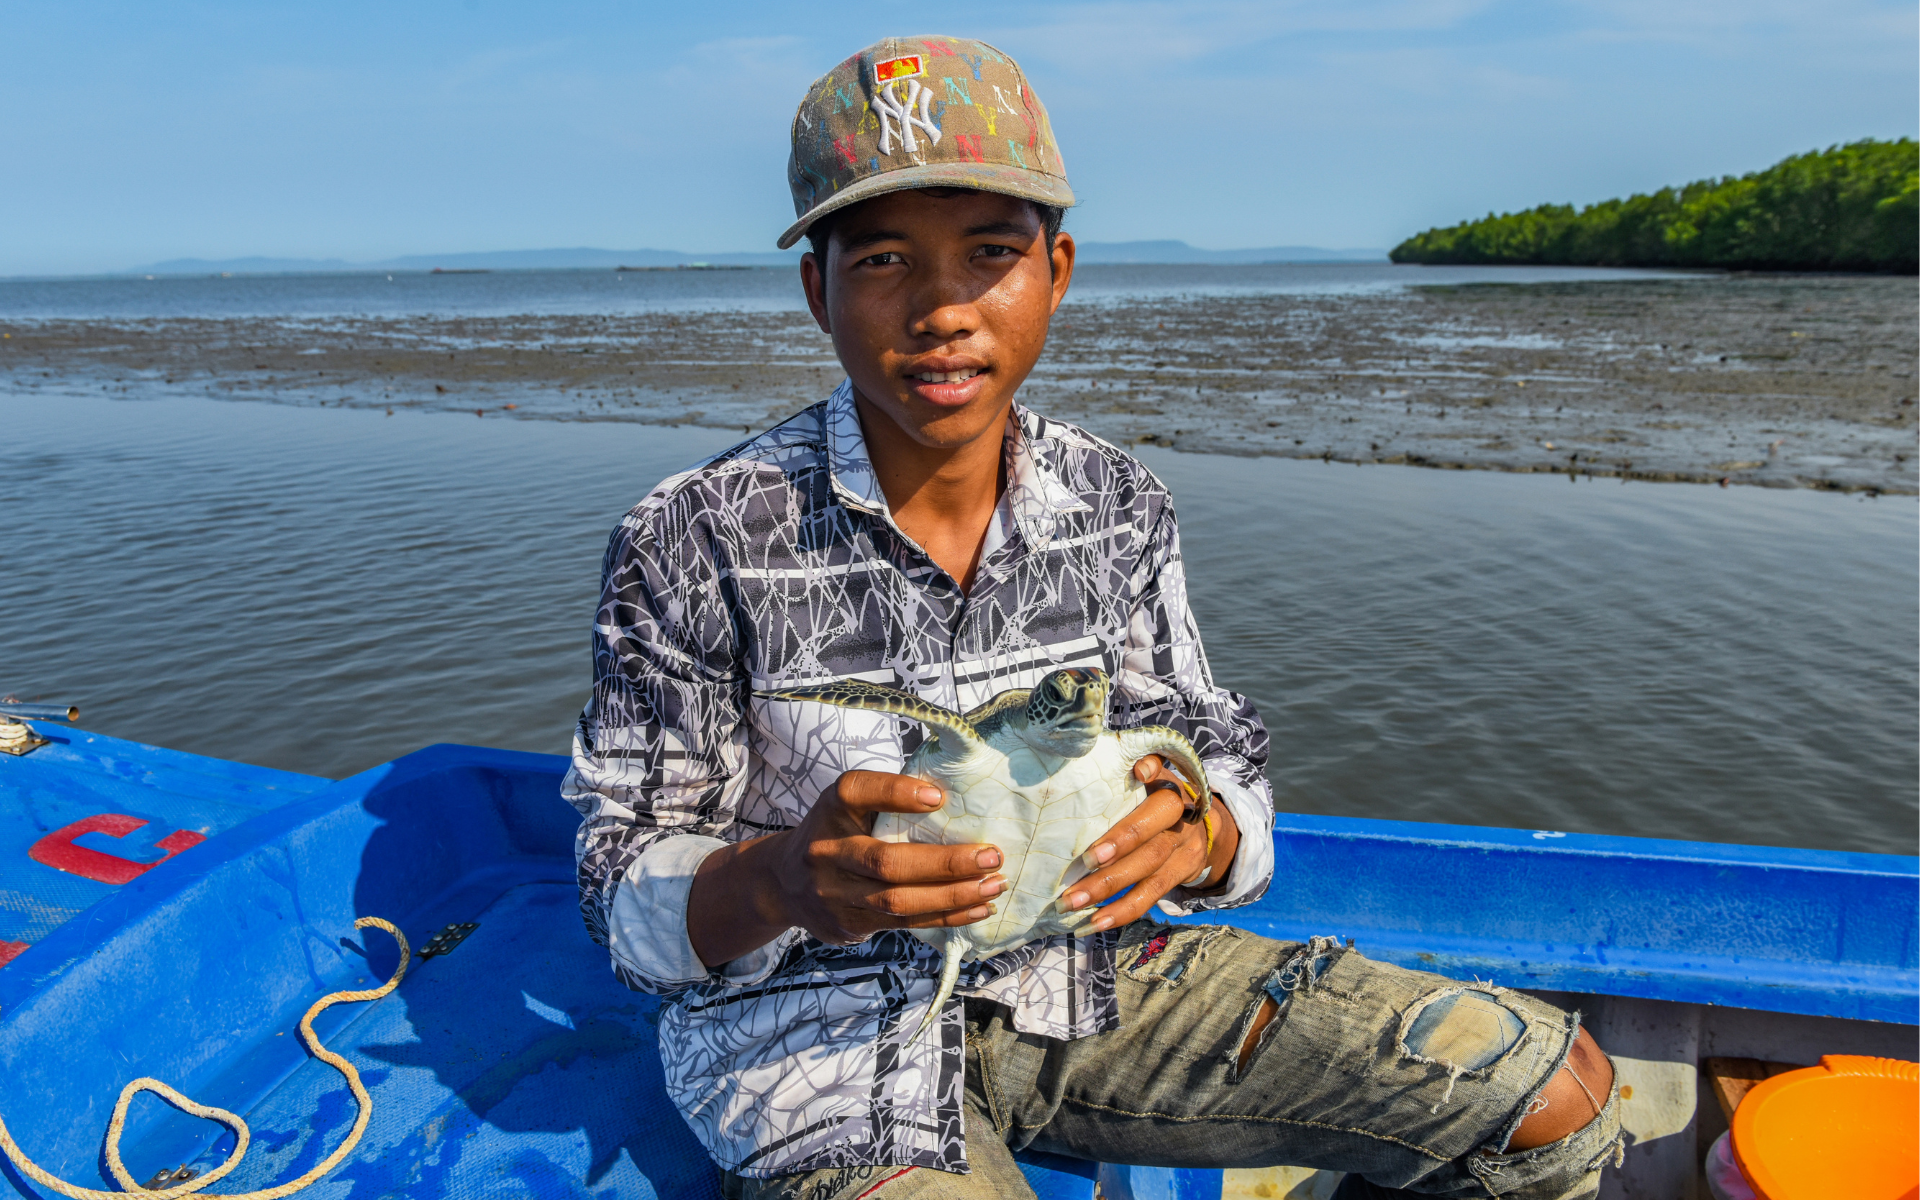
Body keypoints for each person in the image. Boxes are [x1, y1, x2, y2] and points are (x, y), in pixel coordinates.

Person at [562, 35, 1621, 1199]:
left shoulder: (1117, 506)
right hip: (816, 1045)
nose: (941, 309)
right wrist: (783, 885)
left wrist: (1204, 829)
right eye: (882, 262)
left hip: (1096, 978)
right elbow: (621, 892)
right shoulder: (695, 536)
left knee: (1553, 1098)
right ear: (819, 291)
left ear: (1055, 272)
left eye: (989, 254)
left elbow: (1220, 750)